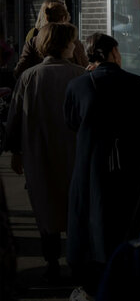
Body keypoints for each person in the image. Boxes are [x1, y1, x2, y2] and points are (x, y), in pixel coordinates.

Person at [64, 33, 140, 299]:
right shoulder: (137, 84)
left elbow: (72, 122)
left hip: (91, 165)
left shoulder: (77, 86)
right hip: (132, 168)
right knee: (128, 221)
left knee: (93, 221)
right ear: (113, 53)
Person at [5, 22, 85, 281]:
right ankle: (76, 260)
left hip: (38, 152)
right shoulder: (81, 75)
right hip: (74, 151)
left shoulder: (29, 77)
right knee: (74, 206)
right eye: (73, 42)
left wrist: (15, 152)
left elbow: (15, 117)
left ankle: (51, 261)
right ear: (66, 45)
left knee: (45, 206)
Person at [14, 0, 88, 79]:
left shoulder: (33, 40)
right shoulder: (72, 41)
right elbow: (84, 66)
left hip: (39, 85)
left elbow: (19, 71)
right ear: (64, 18)